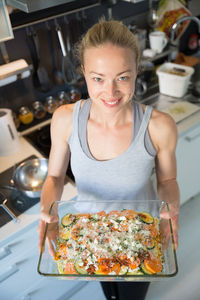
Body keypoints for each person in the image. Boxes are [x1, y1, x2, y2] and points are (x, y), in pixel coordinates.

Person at [38, 19, 180, 300]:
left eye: (123, 77)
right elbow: (54, 178)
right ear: (84, 73)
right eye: (98, 78)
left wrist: (170, 208)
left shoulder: (159, 126)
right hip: (88, 234)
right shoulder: (65, 119)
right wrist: (48, 213)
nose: (111, 92)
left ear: (137, 69)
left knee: (131, 295)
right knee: (109, 291)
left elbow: (168, 179)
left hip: (140, 236)